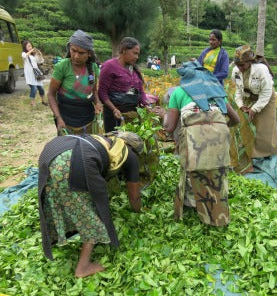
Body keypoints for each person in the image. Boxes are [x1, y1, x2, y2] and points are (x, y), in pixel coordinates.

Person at [38, 131, 143, 277]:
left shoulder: (102, 140)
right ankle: (83, 267)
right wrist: (138, 212)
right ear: (133, 148)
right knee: (94, 211)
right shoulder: (129, 155)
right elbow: (134, 196)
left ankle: (68, 231)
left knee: (64, 193)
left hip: (52, 152)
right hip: (74, 161)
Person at [153, 61, 239, 226]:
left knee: (192, 170)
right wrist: (216, 129)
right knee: (217, 170)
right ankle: (217, 211)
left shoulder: (178, 92)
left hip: (194, 138)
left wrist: (164, 113)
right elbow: (235, 120)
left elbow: (169, 127)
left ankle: (193, 206)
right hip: (220, 134)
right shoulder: (216, 91)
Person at [47, 30, 102, 135]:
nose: (76, 56)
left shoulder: (93, 68)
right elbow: (51, 94)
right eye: (73, 50)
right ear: (69, 48)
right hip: (65, 117)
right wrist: (58, 118)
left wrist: (98, 103)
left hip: (87, 117)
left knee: (86, 147)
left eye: (81, 53)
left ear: (89, 54)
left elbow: (94, 91)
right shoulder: (62, 67)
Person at [232, 45, 277, 161]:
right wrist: (241, 105)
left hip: (266, 98)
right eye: (238, 65)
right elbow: (238, 90)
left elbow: (266, 92)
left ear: (249, 62)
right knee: (247, 124)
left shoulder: (261, 70)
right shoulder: (236, 71)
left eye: (242, 65)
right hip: (249, 97)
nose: (240, 68)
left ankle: (267, 152)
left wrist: (255, 109)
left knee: (265, 126)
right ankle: (251, 152)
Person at [99, 37, 145, 132]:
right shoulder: (109, 66)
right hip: (114, 115)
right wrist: (114, 109)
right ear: (124, 50)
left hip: (132, 115)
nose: (137, 57)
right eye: (134, 53)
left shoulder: (133, 70)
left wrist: (146, 105)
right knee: (116, 142)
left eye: (138, 54)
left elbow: (140, 91)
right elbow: (102, 93)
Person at [21, 40, 47, 107]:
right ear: (25, 47)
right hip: (30, 75)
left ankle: (43, 101)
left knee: (41, 87)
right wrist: (31, 51)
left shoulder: (33, 55)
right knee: (34, 88)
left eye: (31, 46)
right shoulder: (24, 53)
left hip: (36, 74)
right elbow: (25, 56)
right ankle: (32, 102)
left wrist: (39, 54)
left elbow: (40, 61)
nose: (30, 47)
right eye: (28, 46)